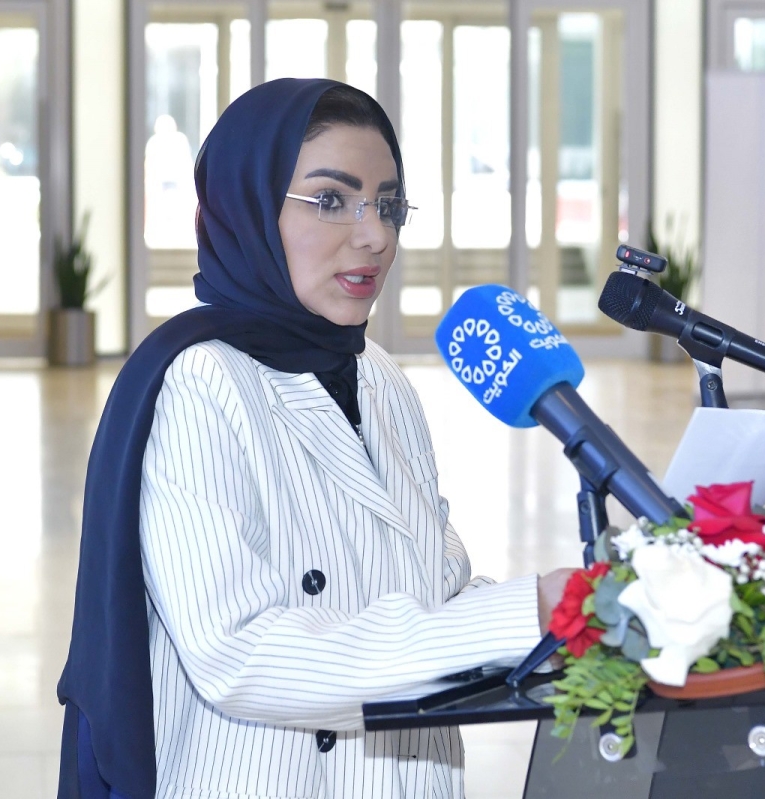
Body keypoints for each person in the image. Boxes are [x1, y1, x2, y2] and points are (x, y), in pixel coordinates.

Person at [57, 78, 574, 799]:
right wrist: (523, 614)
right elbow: (241, 653)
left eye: (387, 204)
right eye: (331, 200)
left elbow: (433, 593)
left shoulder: (379, 375)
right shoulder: (199, 383)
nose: (375, 235)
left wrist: (561, 618)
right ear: (247, 208)